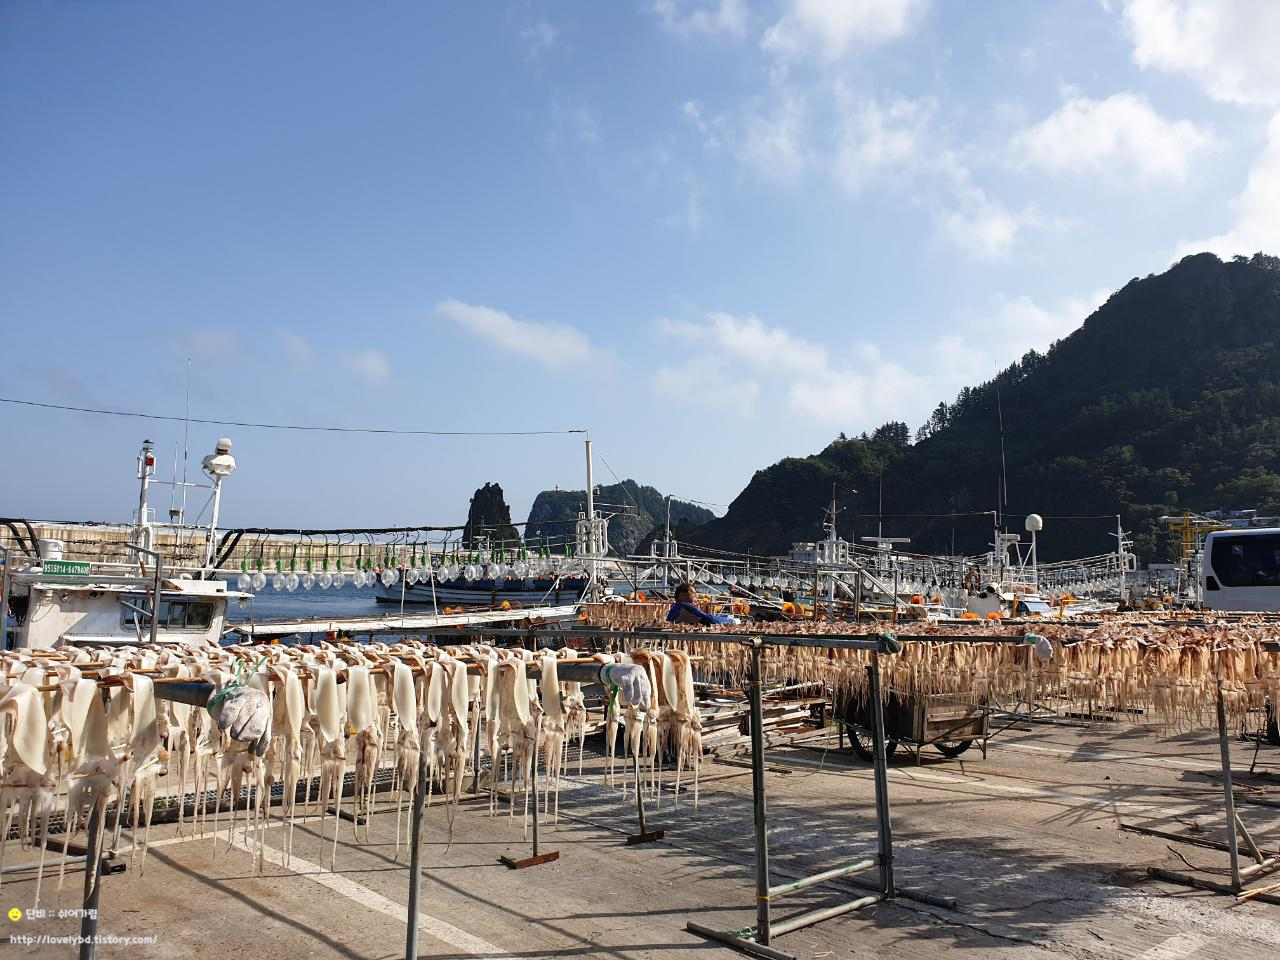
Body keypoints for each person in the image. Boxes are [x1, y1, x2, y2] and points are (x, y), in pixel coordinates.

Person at [667, 582, 734, 626]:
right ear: (682, 595)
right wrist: (731, 621)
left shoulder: (675, 606)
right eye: (693, 593)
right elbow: (708, 618)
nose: (696, 596)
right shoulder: (687, 607)